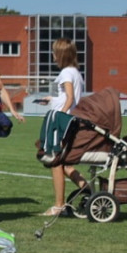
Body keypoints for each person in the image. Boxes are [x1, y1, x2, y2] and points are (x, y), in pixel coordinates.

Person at [41, 38, 87, 215]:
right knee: (66, 164)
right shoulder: (75, 72)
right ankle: (87, 189)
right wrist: (52, 100)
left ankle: (59, 205)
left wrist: (61, 116)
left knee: (56, 162)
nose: (52, 56)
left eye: (54, 52)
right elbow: (68, 98)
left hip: (64, 122)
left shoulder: (66, 73)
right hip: (71, 119)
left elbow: (69, 98)